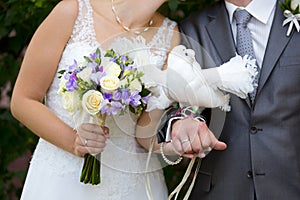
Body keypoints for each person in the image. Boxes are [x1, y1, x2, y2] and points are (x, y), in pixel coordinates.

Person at [10, 0, 180, 199]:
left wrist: (176, 143)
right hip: (64, 179)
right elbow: (23, 100)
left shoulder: (171, 34)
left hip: (135, 183)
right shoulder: (72, 10)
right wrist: (74, 140)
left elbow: (145, 134)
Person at [158, 0, 300, 199]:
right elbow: (171, 103)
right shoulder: (192, 29)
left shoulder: (292, 12)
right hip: (221, 189)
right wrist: (181, 123)